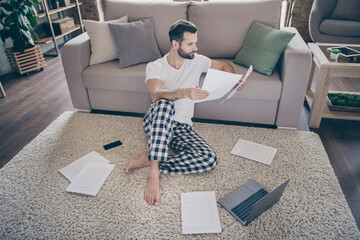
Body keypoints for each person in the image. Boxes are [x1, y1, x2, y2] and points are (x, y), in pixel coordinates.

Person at [124, 20, 245, 206]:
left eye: (195, 42)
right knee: (165, 104)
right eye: (190, 44)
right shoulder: (155, 66)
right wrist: (184, 92)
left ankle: (150, 159)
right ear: (175, 44)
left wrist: (233, 79)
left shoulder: (196, 60)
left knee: (209, 159)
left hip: (182, 127)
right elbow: (156, 95)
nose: (195, 48)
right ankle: (154, 173)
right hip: (157, 121)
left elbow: (223, 66)